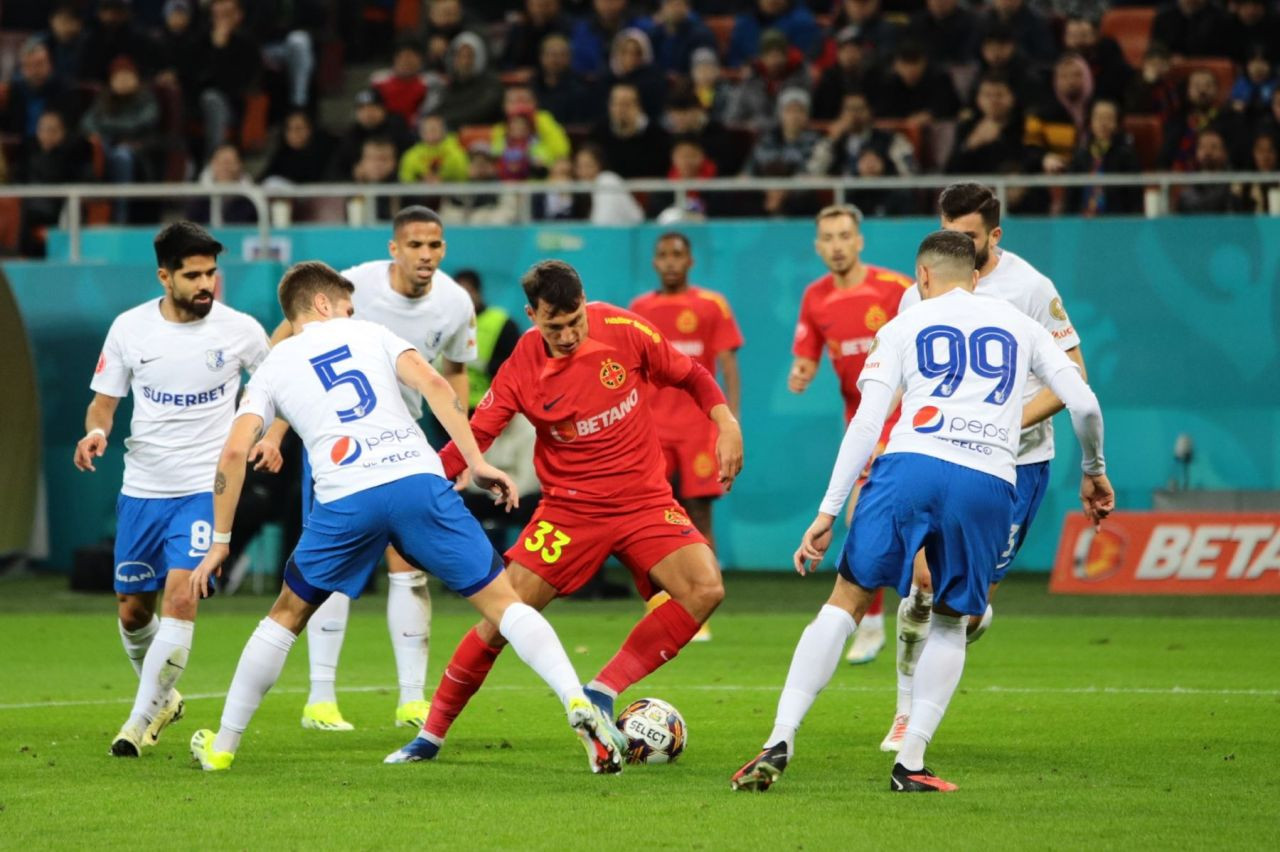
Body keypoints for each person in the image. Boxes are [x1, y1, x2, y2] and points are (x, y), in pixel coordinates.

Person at [186, 261, 621, 774]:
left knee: (285, 615)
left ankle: (224, 747)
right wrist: (477, 461)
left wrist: (220, 540)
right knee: (503, 602)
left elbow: (235, 454)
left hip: (346, 498)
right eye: (346, 305)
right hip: (418, 480)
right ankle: (575, 700)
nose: (352, 312)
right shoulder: (371, 332)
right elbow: (438, 385)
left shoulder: (273, 367)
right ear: (324, 305)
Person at [730, 230, 1112, 794]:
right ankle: (910, 763)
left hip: (908, 465)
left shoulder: (902, 324)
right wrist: (1093, 469)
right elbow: (1083, 401)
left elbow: (866, 423)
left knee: (846, 602)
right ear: (976, 277)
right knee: (954, 620)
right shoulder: (1022, 325)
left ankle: (779, 738)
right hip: (986, 478)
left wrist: (828, 511)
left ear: (922, 277)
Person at [385, 259, 744, 764]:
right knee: (501, 618)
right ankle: (431, 735)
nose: (570, 333)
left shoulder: (624, 328)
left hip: (645, 502)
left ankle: (602, 690)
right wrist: (419, 489)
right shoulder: (520, 368)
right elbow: (475, 436)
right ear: (532, 315)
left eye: (576, 320)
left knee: (704, 588)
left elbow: (693, 374)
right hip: (569, 513)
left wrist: (724, 421)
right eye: (556, 326)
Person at [879, 183, 1089, 752]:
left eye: (968, 236)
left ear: (994, 235)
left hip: (1015, 466)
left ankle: (967, 627)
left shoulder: (1030, 288)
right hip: (937, 457)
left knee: (961, 610)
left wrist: (1004, 421)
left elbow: (1074, 378)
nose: (957, 245)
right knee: (922, 586)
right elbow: (904, 384)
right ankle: (904, 714)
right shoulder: (918, 292)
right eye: (948, 232)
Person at [268, 207, 476, 733]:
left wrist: (463, 448)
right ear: (394, 248)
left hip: (406, 445)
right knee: (329, 568)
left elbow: (453, 374)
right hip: (339, 447)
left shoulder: (454, 303)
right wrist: (274, 431)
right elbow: (287, 342)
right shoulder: (352, 286)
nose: (426, 255)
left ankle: (411, 700)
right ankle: (320, 700)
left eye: (435, 245)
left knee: (410, 568)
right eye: (415, 245)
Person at [71, 221, 273, 757]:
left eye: (211, 272)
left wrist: (273, 434)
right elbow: (105, 401)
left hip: (205, 489)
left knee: (183, 595)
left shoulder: (241, 331)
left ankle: (136, 724)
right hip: (142, 489)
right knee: (133, 611)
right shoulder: (130, 329)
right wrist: (96, 432)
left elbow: (279, 386)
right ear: (164, 276)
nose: (206, 283)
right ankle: (164, 697)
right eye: (193, 275)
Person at [789, 205, 915, 665]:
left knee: (865, 515)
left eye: (845, 235)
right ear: (818, 245)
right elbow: (808, 353)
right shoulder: (816, 297)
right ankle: (884, 619)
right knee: (868, 519)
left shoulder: (899, 289)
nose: (838, 245)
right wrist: (802, 372)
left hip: (906, 412)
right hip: (860, 417)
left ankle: (881, 619)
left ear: (859, 240)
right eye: (829, 237)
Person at [629, 233, 743, 639]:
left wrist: (730, 421)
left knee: (697, 513)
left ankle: (699, 609)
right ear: (655, 263)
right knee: (646, 516)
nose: (671, 262)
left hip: (698, 426)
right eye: (663, 255)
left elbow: (727, 366)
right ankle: (660, 604)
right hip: (652, 428)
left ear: (690, 260)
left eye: (678, 254)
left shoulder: (711, 305)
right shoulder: (640, 309)